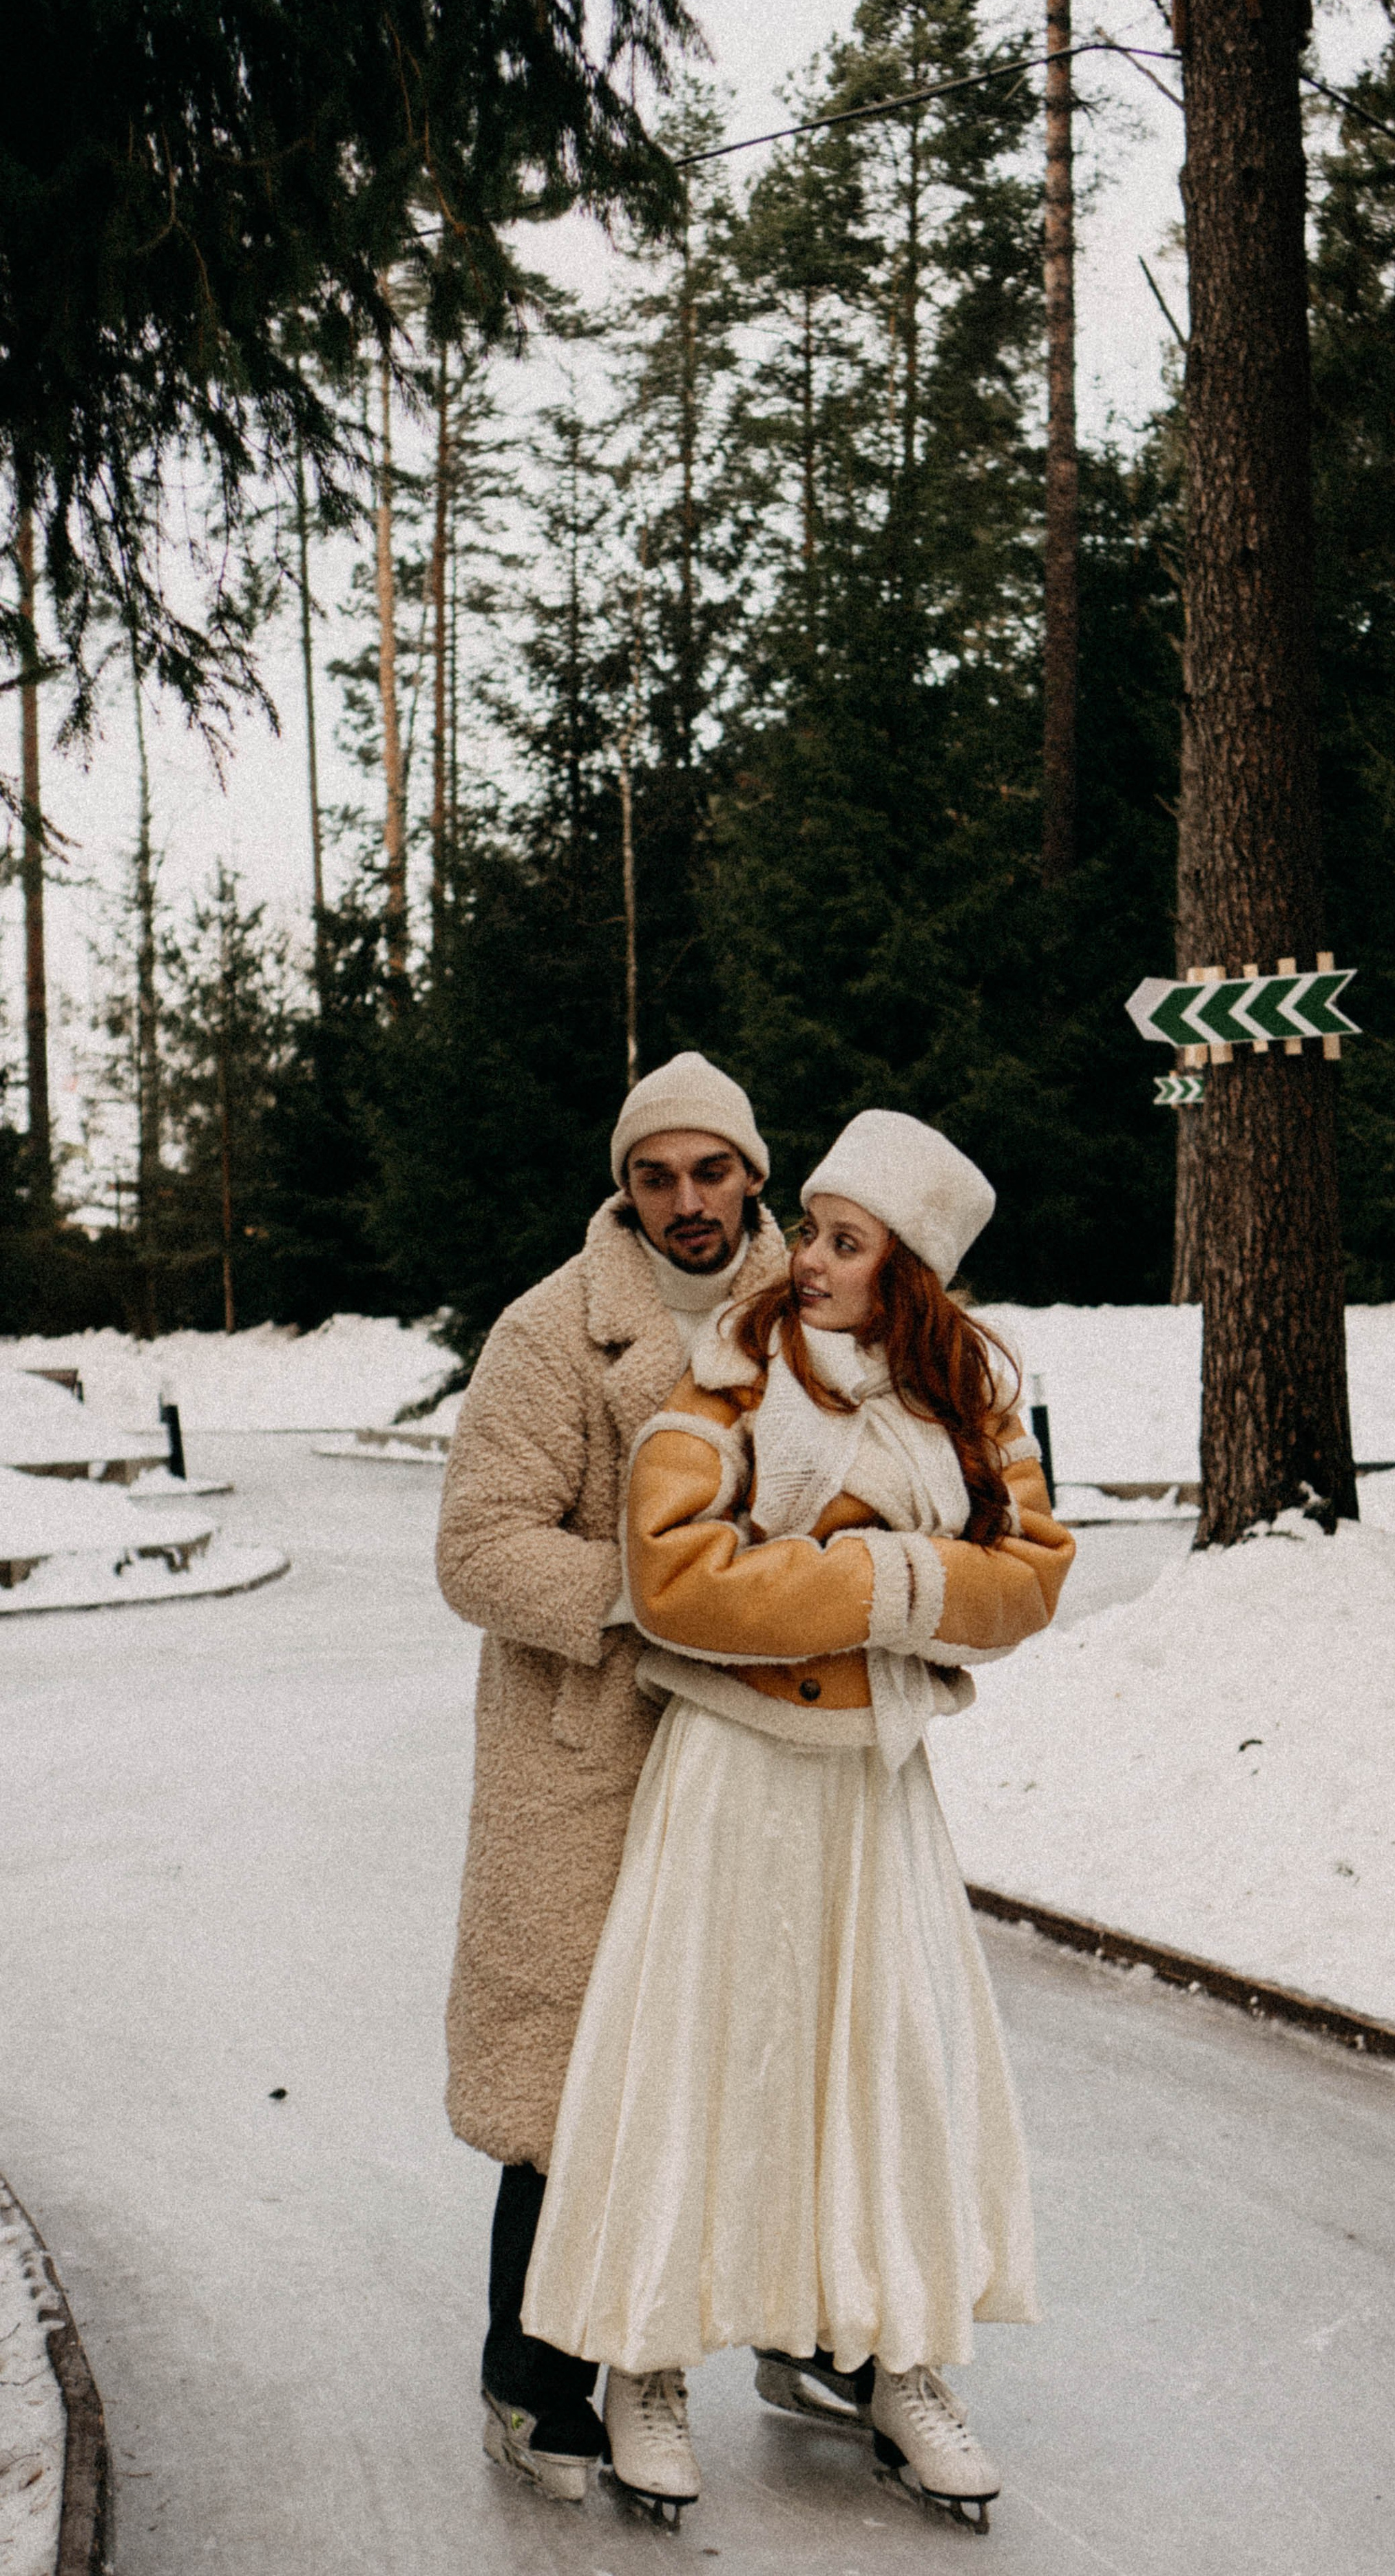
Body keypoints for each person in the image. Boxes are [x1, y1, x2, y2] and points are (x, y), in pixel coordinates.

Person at [521, 1110, 1076, 2532]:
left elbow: (1028, 1576)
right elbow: (674, 1576)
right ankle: (644, 2365)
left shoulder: (967, 1407)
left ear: (911, 1271)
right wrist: (889, 1583)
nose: (806, 1258)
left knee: (883, 2076)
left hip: (875, 1791)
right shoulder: (732, 1374)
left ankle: (899, 2363)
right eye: (812, 1227)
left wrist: (859, 1573)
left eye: (842, 1239)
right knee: (696, 2061)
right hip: (730, 1775)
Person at [434, 1052, 788, 2505]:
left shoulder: (823, 1309)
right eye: (656, 1175)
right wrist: (670, 1595)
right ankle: (533, 2376)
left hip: (773, 1749)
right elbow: (477, 1550)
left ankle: (819, 2335)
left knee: (781, 2048)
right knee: (572, 2075)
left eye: (710, 1171)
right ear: (624, 1185)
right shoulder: (548, 1335)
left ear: (755, 1173)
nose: (685, 1201)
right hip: (593, 1749)